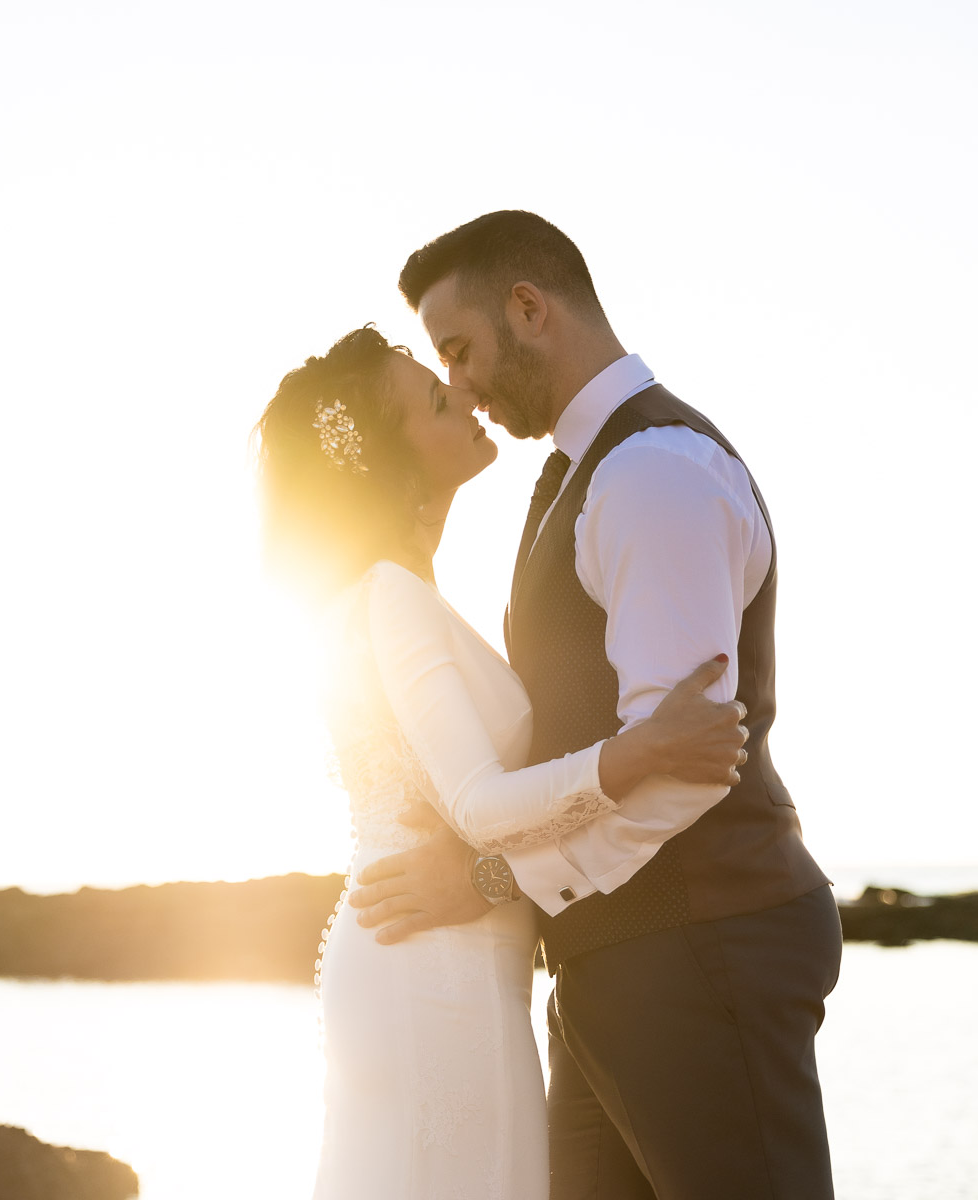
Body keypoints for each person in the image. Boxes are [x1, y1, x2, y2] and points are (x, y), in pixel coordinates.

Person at [348, 211, 842, 1199]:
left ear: (529, 309)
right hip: (620, 959)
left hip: (705, 949)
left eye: (460, 348)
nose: (460, 383)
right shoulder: (580, 473)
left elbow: (685, 770)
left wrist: (496, 878)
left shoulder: (653, 472)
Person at [254, 326, 749, 1199]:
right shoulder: (392, 598)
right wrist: (642, 751)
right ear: (390, 455)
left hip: (434, 953)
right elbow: (480, 806)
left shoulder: (386, 593)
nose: (465, 393)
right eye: (438, 399)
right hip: (433, 970)